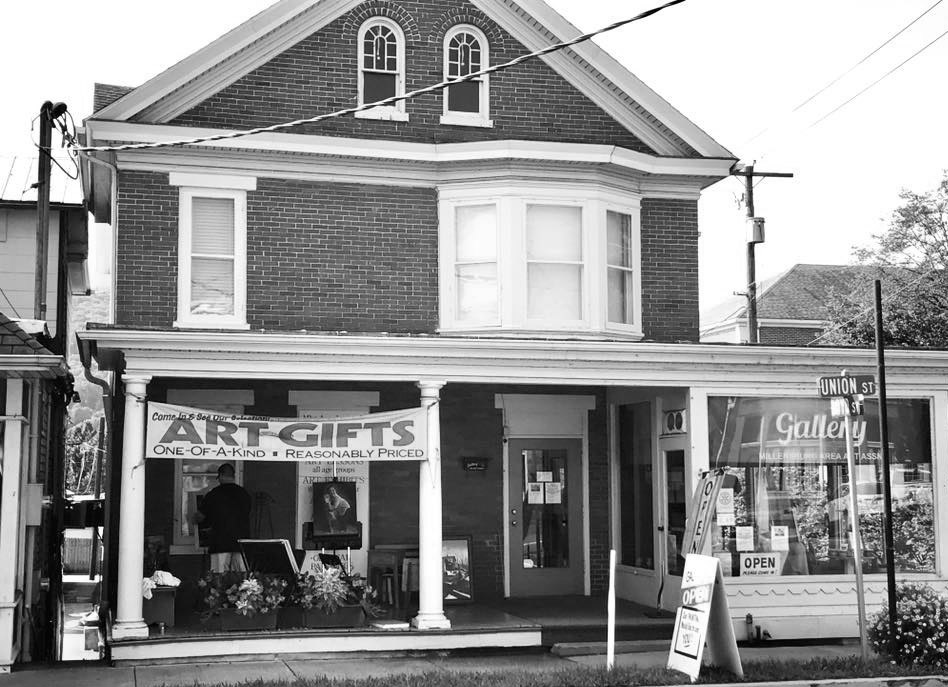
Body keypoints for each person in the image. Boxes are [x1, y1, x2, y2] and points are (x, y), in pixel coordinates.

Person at [195, 463, 252, 572]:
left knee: (219, 577)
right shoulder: (244, 494)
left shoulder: (214, 494)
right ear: (233, 476)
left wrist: (193, 518)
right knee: (241, 578)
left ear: (221, 475)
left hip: (220, 542)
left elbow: (200, 517)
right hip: (241, 542)